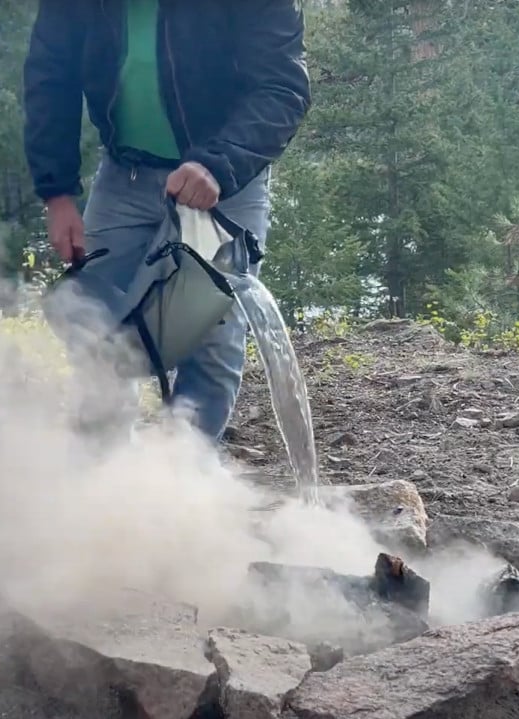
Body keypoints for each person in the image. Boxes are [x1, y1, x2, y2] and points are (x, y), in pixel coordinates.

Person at [23, 0, 311, 442]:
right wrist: (56, 191)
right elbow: (51, 75)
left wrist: (219, 164)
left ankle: (183, 488)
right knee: (96, 327)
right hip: (125, 174)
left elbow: (281, 88)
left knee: (212, 345)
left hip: (225, 180)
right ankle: (102, 486)